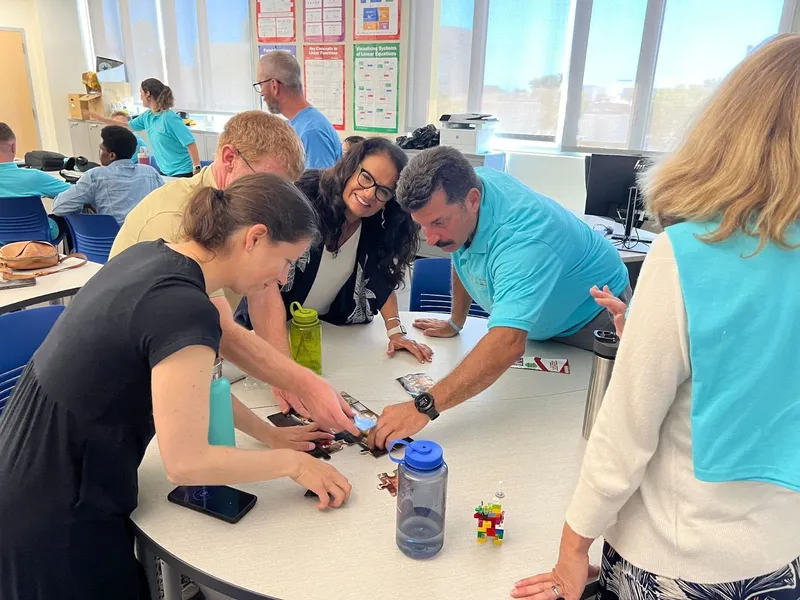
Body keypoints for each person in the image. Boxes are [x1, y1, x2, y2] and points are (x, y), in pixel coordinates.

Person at [512, 34, 800, 600]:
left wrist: (573, 549)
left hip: (679, 554)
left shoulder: (687, 255)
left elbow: (625, 434)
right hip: (781, 553)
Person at [0, 173, 351, 599]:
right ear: (255, 238)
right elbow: (185, 463)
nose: (281, 277)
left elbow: (196, 382)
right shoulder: (183, 306)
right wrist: (292, 464)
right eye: (286, 261)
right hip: (54, 512)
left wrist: (271, 434)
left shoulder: (157, 257)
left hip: (25, 468)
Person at [110, 110, 358, 435]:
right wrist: (304, 383)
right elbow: (220, 328)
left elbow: (264, 292)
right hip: (131, 391)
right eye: (267, 186)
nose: (275, 204)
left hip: (187, 369)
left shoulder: (241, 210)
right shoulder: (176, 220)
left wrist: (285, 380)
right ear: (230, 158)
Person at [367, 147, 629, 448]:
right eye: (422, 224)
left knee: (578, 428)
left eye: (438, 222)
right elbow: (463, 251)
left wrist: (421, 407)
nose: (431, 238)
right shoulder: (468, 191)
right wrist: (456, 319)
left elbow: (507, 344)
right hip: (541, 321)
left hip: (592, 316)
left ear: (473, 200)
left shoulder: (524, 240)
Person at [235, 137, 431, 394]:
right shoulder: (304, 199)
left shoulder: (375, 225)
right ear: (350, 167)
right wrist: (284, 372)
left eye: (383, 191)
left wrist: (395, 330)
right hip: (267, 335)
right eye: (366, 178)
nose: (370, 194)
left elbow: (381, 278)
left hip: (325, 336)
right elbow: (265, 284)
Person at [51, 125, 163, 224]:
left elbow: (59, 207)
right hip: (146, 240)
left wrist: (84, 203)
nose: (99, 152)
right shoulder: (151, 172)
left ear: (112, 155)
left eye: (101, 149)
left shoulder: (94, 176)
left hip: (109, 243)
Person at [92, 78, 200, 177]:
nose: (140, 97)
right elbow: (127, 126)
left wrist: (196, 167)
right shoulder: (147, 116)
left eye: (141, 93)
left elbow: (190, 142)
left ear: (147, 93)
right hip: (165, 171)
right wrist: (101, 119)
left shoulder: (169, 118)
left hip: (182, 171)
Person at [256, 50, 342, 169]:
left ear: (274, 85)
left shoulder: (311, 132)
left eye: (261, 85)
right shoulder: (297, 124)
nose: (261, 94)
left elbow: (317, 186)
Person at [0, 122, 69, 241]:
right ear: (13, 147)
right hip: (38, 237)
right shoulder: (34, 177)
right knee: (67, 217)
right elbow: (77, 194)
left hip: (3, 240)